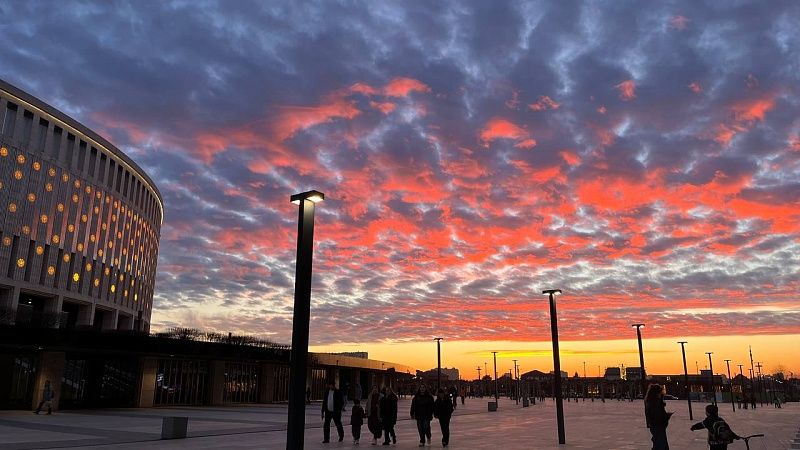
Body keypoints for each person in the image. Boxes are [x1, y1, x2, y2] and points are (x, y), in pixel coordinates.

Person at [644, 384, 672, 450]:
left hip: (654, 425)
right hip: (658, 425)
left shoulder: (649, 400)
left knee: (658, 443)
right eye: (660, 392)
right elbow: (658, 415)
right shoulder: (656, 402)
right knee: (661, 445)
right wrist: (666, 416)